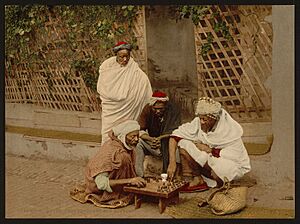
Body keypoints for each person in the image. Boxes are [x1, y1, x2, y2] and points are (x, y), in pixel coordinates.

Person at [167, 97, 251, 192]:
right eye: (200, 118)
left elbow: (235, 156)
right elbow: (174, 136)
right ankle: (196, 178)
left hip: (231, 164)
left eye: (205, 119)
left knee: (218, 172)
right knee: (183, 143)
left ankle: (216, 180)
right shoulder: (198, 122)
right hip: (209, 159)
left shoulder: (229, 129)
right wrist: (172, 162)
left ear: (213, 118)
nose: (201, 122)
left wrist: (211, 150)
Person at [70, 120, 146, 208]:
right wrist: (130, 180)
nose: (136, 139)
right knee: (123, 157)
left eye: (137, 136)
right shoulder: (110, 153)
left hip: (110, 180)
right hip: (97, 187)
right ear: (123, 136)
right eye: (133, 136)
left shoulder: (128, 149)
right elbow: (101, 184)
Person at [97, 41, 153, 144]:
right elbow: (103, 89)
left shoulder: (135, 72)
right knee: (108, 137)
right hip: (111, 112)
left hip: (129, 113)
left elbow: (145, 89)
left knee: (128, 136)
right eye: (121, 57)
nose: (125, 59)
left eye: (127, 56)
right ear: (116, 55)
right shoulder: (107, 68)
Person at [135, 91, 182, 177]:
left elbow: (177, 132)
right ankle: (139, 175)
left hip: (168, 145)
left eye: (161, 109)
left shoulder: (173, 111)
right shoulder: (147, 109)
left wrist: (161, 139)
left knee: (180, 145)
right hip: (154, 144)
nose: (157, 111)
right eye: (155, 109)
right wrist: (151, 139)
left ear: (166, 107)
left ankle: (175, 176)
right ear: (151, 106)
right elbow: (140, 130)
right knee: (138, 143)